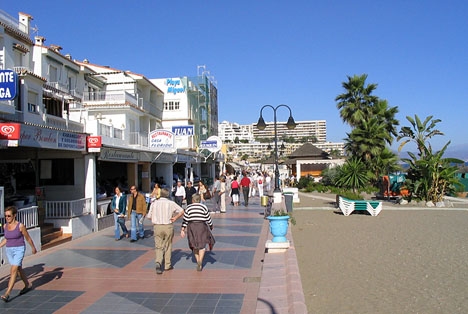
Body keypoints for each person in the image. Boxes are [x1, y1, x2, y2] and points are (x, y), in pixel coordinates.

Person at [0, 206, 37, 302]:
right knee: (19, 269)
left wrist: (33, 247)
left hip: (19, 249)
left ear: (14, 215)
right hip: (9, 250)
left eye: (9, 216)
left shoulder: (20, 226)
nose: (7, 218)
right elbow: (7, 239)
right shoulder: (5, 226)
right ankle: (27, 285)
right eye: (6, 216)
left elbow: (28, 238)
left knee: (13, 270)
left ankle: (7, 293)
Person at [146, 188, 184, 274]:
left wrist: (155, 218)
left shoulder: (154, 203)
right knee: (168, 245)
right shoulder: (171, 203)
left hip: (157, 226)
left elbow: (149, 216)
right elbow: (182, 211)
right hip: (168, 226)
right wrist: (175, 217)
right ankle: (167, 265)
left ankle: (158, 262)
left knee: (158, 246)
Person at [180, 194, 215, 271]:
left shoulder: (188, 207)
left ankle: (198, 260)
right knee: (202, 245)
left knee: (194, 245)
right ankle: (200, 261)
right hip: (201, 226)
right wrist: (211, 225)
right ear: (199, 200)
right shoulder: (203, 207)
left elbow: (185, 219)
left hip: (192, 226)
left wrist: (183, 229)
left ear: (193, 200)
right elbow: (208, 218)